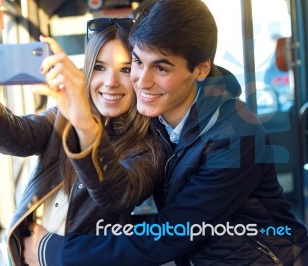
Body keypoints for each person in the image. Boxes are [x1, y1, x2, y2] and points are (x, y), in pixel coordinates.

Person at [27, 0, 308, 265]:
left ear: (200, 69)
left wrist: (53, 252)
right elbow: (118, 190)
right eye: (137, 62)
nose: (142, 81)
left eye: (160, 67)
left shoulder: (236, 136)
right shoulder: (154, 118)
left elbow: (169, 236)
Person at [0, 19, 165, 265]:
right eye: (100, 67)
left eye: (124, 69)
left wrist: (84, 124)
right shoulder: (63, 116)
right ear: (87, 71)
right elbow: (22, 136)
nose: (111, 81)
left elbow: (118, 194)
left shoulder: (150, 145)